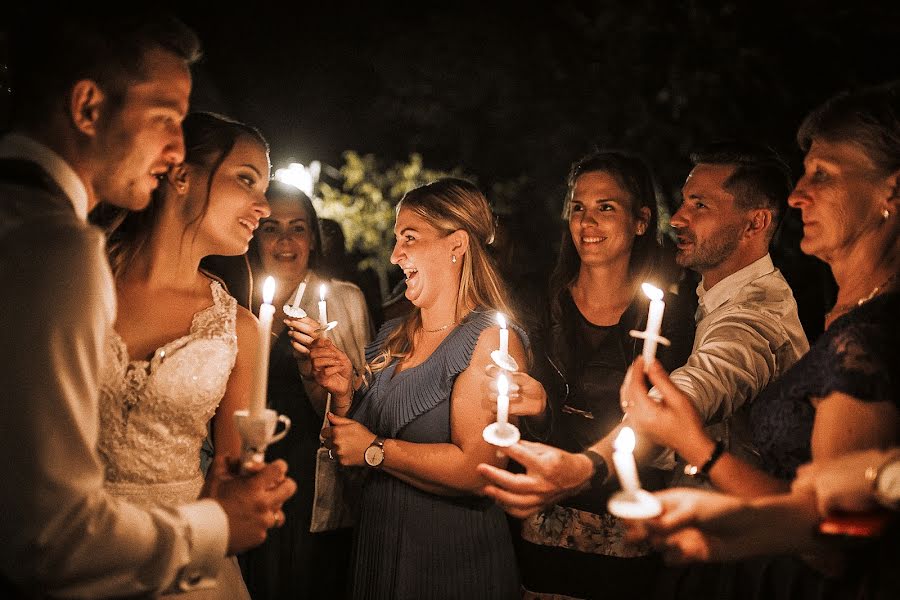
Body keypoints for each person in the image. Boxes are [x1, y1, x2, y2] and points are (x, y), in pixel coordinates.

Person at [0, 15, 295, 598]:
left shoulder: (236, 325)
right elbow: (48, 531)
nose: (177, 147)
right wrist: (214, 525)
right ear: (87, 108)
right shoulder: (59, 249)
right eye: (166, 119)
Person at [619, 82, 900, 598]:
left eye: (823, 175)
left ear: (891, 192)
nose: (798, 194)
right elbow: (821, 502)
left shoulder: (869, 337)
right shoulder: (847, 315)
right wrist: (726, 527)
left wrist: (700, 453)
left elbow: (834, 545)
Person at [477, 143, 809, 517]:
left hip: (746, 533)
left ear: (755, 223)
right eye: (684, 202)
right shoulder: (699, 297)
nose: (679, 218)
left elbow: (691, 391)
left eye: (700, 205)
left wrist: (588, 466)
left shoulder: (754, 316)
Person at [310, 178, 527, 599]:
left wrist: (377, 449)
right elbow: (350, 464)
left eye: (409, 238)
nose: (395, 255)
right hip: (378, 553)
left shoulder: (491, 341)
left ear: (457, 245)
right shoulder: (392, 337)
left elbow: (477, 468)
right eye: (396, 240)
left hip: (453, 564)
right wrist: (342, 395)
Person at [95, 111, 274, 599]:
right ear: (181, 174)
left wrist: (251, 493)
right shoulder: (79, 282)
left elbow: (235, 480)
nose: (263, 207)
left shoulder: (240, 329)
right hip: (70, 544)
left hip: (185, 564)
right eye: (246, 179)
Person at [514, 151, 694, 600]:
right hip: (543, 524)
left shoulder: (668, 321)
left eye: (605, 207)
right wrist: (534, 408)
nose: (586, 222)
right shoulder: (537, 306)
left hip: (628, 529)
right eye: (578, 207)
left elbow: (665, 429)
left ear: (640, 220)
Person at [240, 180, 372, 600]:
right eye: (270, 227)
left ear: (313, 238)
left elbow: (366, 399)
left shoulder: (345, 299)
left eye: (297, 227)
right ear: (254, 235)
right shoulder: (235, 301)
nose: (284, 240)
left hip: (316, 476)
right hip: (249, 467)